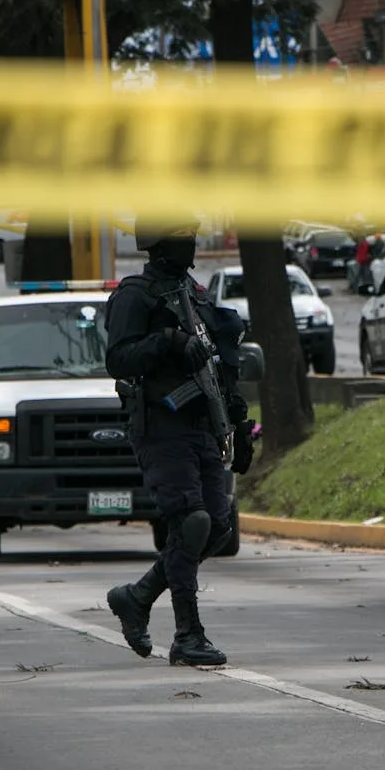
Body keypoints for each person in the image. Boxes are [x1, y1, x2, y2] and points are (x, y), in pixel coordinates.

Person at [103, 213, 257, 667]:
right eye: (182, 238)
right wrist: (167, 342)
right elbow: (118, 359)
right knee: (190, 522)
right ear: (158, 243)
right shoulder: (135, 295)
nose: (190, 245)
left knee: (218, 525)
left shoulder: (197, 296)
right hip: (161, 424)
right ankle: (188, 634)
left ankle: (138, 596)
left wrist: (240, 423)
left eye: (192, 237)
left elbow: (220, 367)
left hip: (202, 425)